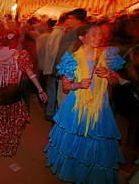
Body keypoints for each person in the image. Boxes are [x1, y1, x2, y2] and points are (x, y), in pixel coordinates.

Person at [44, 24, 125, 184]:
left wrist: (108, 75)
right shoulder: (71, 59)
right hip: (76, 106)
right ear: (82, 38)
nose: (98, 38)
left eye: (100, 34)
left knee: (96, 143)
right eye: (94, 34)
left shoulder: (106, 55)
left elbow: (116, 81)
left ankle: (90, 174)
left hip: (99, 107)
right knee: (74, 142)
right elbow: (66, 86)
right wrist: (78, 84)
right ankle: (74, 172)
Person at [0, 32, 47, 157]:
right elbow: (31, 74)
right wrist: (40, 90)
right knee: (10, 122)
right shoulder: (19, 55)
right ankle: (5, 147)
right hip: (12, 92)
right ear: (14, 42)